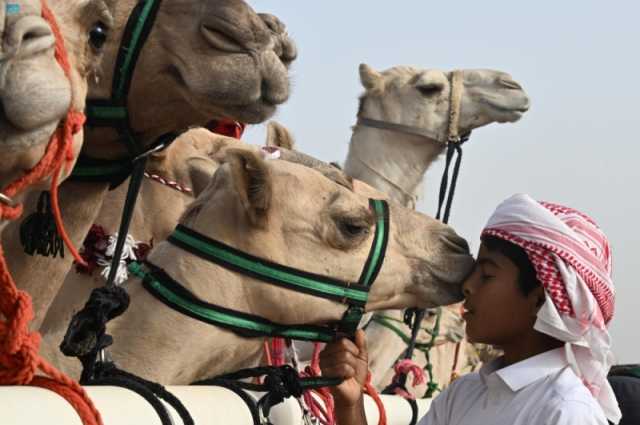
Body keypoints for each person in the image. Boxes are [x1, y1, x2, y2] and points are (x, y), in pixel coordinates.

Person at [320, 194, 621, 425]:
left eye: (487, 274)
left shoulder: (565, 411)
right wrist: (351, 402)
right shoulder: (463, 394)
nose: (468, 286)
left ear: (540, 300)